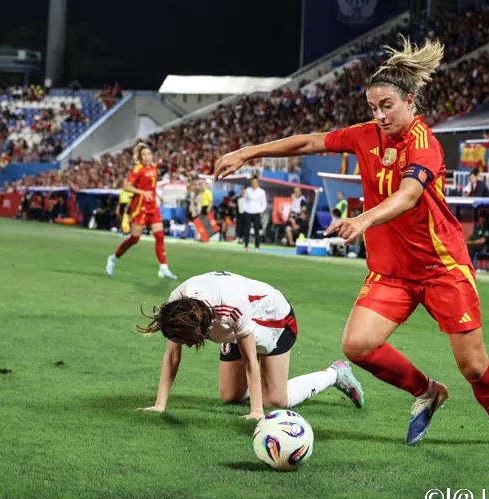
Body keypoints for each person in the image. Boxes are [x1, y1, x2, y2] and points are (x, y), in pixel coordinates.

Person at [213, 37, 489, 452]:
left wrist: (363, 220)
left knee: (472, 365)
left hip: (442, 268)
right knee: (358, 345)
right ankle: (427, 391)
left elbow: (408, 196)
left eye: (387, 106)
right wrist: (249, 151)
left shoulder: (424, 145)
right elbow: (309, 142)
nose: (379, 116)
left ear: (411, 102)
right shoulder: (365, 136)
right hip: (392, 271)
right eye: (373, 108)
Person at [135, 271, 364, 419]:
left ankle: (335, 374)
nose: (184, 345)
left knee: (276, 400)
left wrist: (257, 411)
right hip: (231, 326)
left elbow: (249, 360)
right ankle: (260, 381)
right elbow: (172, 356)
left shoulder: (231, 307)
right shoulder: (179, 306)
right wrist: (159, 405)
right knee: (230, 396)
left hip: (273, 319)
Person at [106, 143, 177, 279]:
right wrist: (142, 192)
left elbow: (152, 187)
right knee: (134, 239)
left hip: (153, 206)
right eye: (144, 154)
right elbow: (127, 186)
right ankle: (113, 258)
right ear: (140, 156)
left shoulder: (154, 168)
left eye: (149, 154)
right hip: (140, 207)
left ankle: (163, 268)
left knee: (160, 236)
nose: (147, 157)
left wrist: (159, 196)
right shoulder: (137, 169)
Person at [243, 177, 266, 250]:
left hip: (256, 213)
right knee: (247, 229)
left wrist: (260, 210)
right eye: (253, 182)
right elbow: (245, 200)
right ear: (251, 183)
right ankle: (246, 246)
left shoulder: (261, 192)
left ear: (257, 183)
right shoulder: (248, 191)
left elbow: (264, 203)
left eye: (255, 183)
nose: (254, 184)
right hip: (248, 212)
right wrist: (245, 209)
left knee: (257, 230)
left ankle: (257, 246)